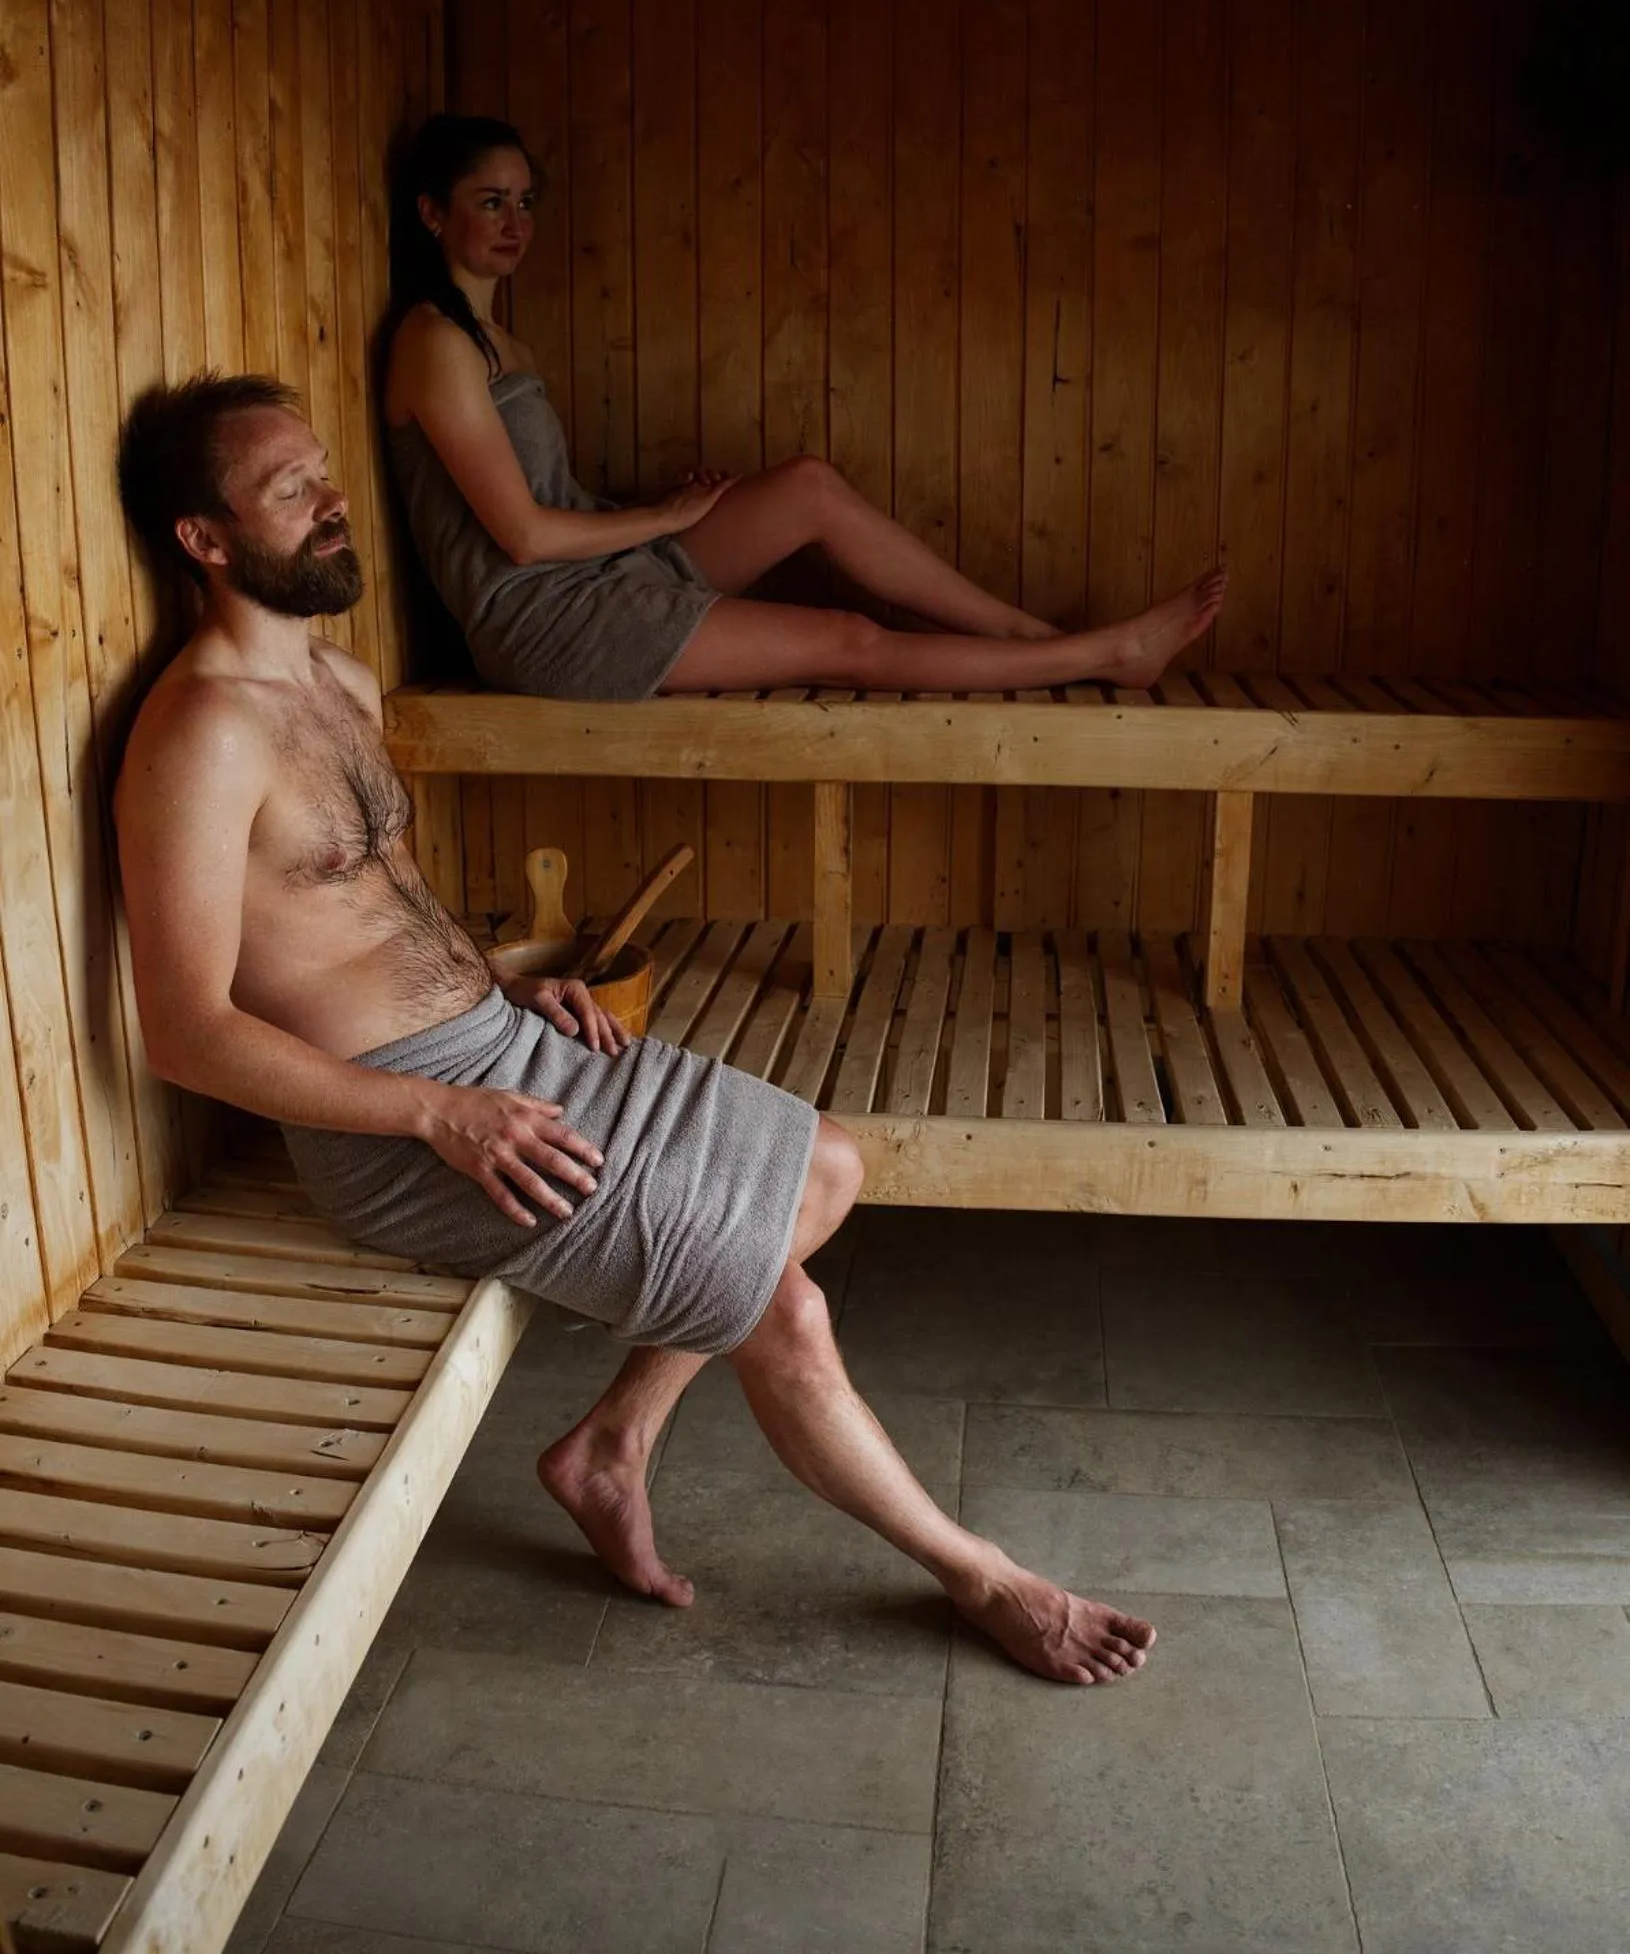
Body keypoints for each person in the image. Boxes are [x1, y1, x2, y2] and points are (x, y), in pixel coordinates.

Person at [112, 370, 1157, 1687]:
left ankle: (608, 1447)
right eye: (287, 493)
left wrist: (497, 980)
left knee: (827, 1163)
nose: (329, 507)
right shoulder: (198, 735)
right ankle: (985, 1576)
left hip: (499, 1053)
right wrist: (440, 1110)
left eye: (322, 475)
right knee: (786, 1308)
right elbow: (184, 1030)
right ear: (203, 542)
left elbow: (366, 911)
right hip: (395, 1130)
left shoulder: (339, 683)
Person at [384, 112, 1225, 702]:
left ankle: (1024, 635)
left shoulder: (503, 344)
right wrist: (664, 515)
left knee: (808, 487)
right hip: (545, 623)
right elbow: (525, 540)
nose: (515, 223)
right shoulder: (434, 343)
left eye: (525, 201)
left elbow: (551, 509)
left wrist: (676, 516)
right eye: (490, 201)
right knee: (846, 639)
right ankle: (1107, 652)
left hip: (598, 573)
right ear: (432, 212)